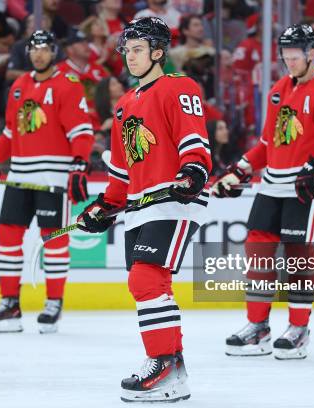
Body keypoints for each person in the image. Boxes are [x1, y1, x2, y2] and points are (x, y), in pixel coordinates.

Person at [213, 24, 314, 360]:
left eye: (295, 56)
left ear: (311, 53)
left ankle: (298, 329)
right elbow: (268, 144)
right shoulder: (279, 89)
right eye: (285, 57)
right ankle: (258, 327)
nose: (290, 62)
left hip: (309, 184)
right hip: (274, 182)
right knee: (257, 245)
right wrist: (239, 168)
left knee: (297, 252)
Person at [77, 17, 211, 403]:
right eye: (127, 49)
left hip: (173, 198)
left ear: (157, 52)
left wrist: (194, 169)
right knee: (150, 285)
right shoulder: (123, 105)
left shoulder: (178, 86)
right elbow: (121, 170)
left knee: (146, 281)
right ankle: (175, 371)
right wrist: (105, 206)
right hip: (138, 205)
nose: (130, 57)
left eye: (138, 49)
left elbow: (193, 136)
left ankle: (162, 363)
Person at [0, 30, 94, 334]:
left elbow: (82, 133)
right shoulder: (19, 86)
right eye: (34, 49)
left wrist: (78, 167)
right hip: (20, 177)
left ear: (54, 51)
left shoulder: (68, 85)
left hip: (53, 177)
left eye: (44, 48)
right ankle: (9, 305)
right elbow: (10, 135)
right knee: (7, 235)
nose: (38, 54)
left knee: (54, 239)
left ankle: (53, 303)